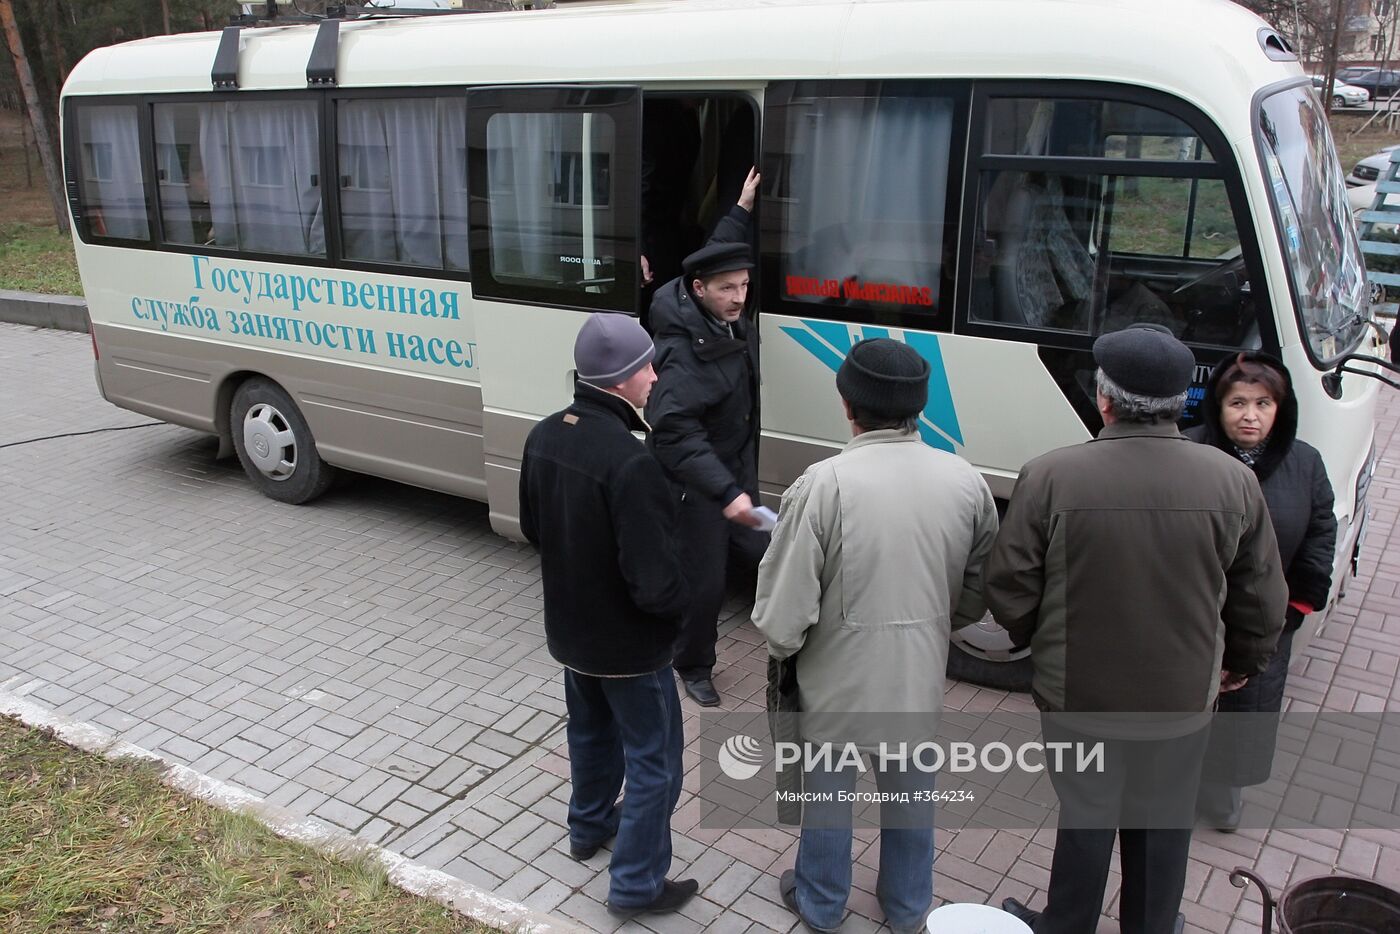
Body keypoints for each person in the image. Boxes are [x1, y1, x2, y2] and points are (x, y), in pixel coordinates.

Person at [986, 324, 1288, 934]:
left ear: (1105, 400)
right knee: (1162, 825)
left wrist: (1035, 640)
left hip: (1078, 696)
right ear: (1185, 402)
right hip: (1180, 700)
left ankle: (1066, 923)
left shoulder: (1049, 475)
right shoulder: (1233, 482)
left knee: (1086, 815)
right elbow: (1261, 599)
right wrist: (1243, 662)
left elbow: (1010, 586)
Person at [752, 338, 1001, 934]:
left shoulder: (824, 483)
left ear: (847, 405)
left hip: (834, 681)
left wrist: (785, 651)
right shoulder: (964, 480)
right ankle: (909, 905)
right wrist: (934, 626)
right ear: (920, 405)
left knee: (828, 796)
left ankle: (820, 903)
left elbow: (783, 613)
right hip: (916, 676)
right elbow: (976, 587)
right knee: (913, 794)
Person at [518, 313, 698, 920]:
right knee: (657, 764)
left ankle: (588, 827)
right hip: (630, 650)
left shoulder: (543, 435)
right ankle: (637, 886)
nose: (654, 376)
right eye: (646, 366)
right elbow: (654, 585)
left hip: (570, 635)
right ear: (620, 380)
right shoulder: (632, 462)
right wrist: (680, 616)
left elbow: (533, 530)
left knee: (589, 734)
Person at [1185, 352, 1336, 831]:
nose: (1250, 416)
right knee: (1182, 711)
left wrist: (1293, 607)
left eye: (1263, 403)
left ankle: (1223, 795)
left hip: (1268, 620)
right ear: (1217, 406)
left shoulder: (1304, 462)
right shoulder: (1190, 454)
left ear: (1280, 409)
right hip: (1194, 616)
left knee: (1244, 713)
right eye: (1238, 403)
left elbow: (1320, 531)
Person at [646, 167, 764, 708]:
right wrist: (726, 491)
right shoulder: (682, 353)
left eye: (744, 286)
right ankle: (691, 665)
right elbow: (673, 434)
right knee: (706, 583)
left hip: (732, 471)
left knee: (767, 553)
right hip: (699, 487)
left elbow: (717, 250)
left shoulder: (715, 299)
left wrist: (739, 204)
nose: (739, 298)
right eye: (729, 290)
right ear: (699, 291)